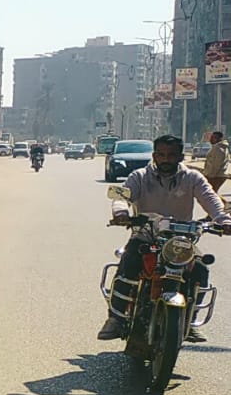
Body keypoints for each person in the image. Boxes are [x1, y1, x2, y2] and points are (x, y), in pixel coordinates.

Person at [99, 134, 231, 343]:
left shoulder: (192, 178)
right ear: (154, 156)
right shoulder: (140, 176)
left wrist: (224, 221)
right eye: (161, 154)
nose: (166, 159)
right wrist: (121, 213)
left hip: (180, 240)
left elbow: (211, 199)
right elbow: (122, 197)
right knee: (129, 262)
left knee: (200, 269)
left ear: (180, 157)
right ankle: (115, 319)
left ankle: (190, 321)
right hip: (145, 235)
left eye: (171, 155)